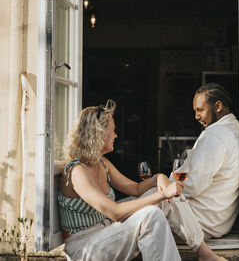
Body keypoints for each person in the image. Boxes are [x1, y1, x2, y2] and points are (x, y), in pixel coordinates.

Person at [58, 100, 221, 261]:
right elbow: (116, 213)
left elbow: (135, 189)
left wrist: (160, 178)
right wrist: (163, 194)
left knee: (155, 195)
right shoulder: (77, 171)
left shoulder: (101, 163)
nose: (116, 135)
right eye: (113, 131)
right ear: (98, 133)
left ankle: (204, 253)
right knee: (151, 214)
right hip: (85, 247)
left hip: (106, 231)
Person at [169, 83, 239, 239]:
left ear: (218, 106)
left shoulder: (215, 135)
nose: (196, 116)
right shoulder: (235, 128)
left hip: (199, 221)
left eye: (200, 110)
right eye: (195, 111)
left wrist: (164, 186)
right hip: (217, 220)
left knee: (137, 210)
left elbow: (192, 185)